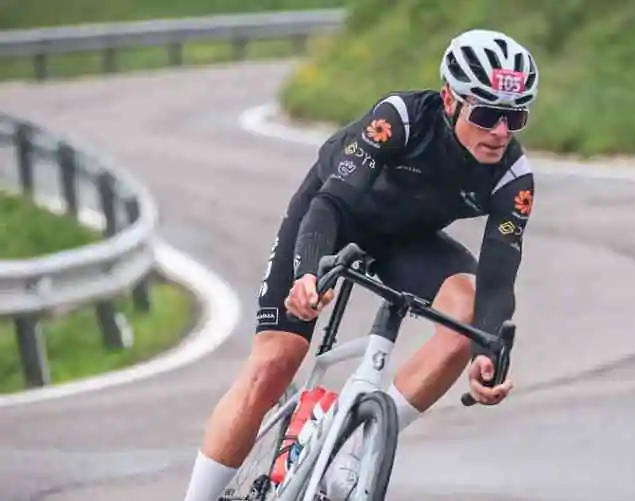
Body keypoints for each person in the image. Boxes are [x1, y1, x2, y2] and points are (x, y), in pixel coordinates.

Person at [183, 28, 539, 501]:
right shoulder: (400, 120)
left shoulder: (513, 177)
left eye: (516, 116)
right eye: (488, 114)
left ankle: (354, 451)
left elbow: (498, 276)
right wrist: (308, 275)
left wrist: (485, 354)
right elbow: (330, 204)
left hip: (405, 238)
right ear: (450, 99)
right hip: (336, 215)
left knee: (467, 315)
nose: (501, 132)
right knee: (274, 362)